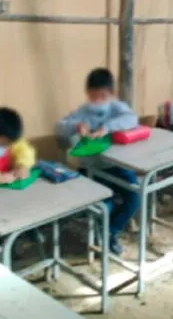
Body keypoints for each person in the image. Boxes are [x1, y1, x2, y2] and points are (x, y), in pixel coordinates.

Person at [55, 68, 140, 255]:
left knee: (135, 196)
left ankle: (111, 232)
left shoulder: (116, 108)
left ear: (111, 93)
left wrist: (107, 127)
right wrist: (75, 126)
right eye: (94, 96)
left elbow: (131, 119)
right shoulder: (83, 112)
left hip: (116, 167)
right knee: (104, 204)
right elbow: (59, 126)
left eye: (103, 96)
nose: (98, 100)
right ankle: (101, 235)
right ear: (88, 94)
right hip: (90, 168)